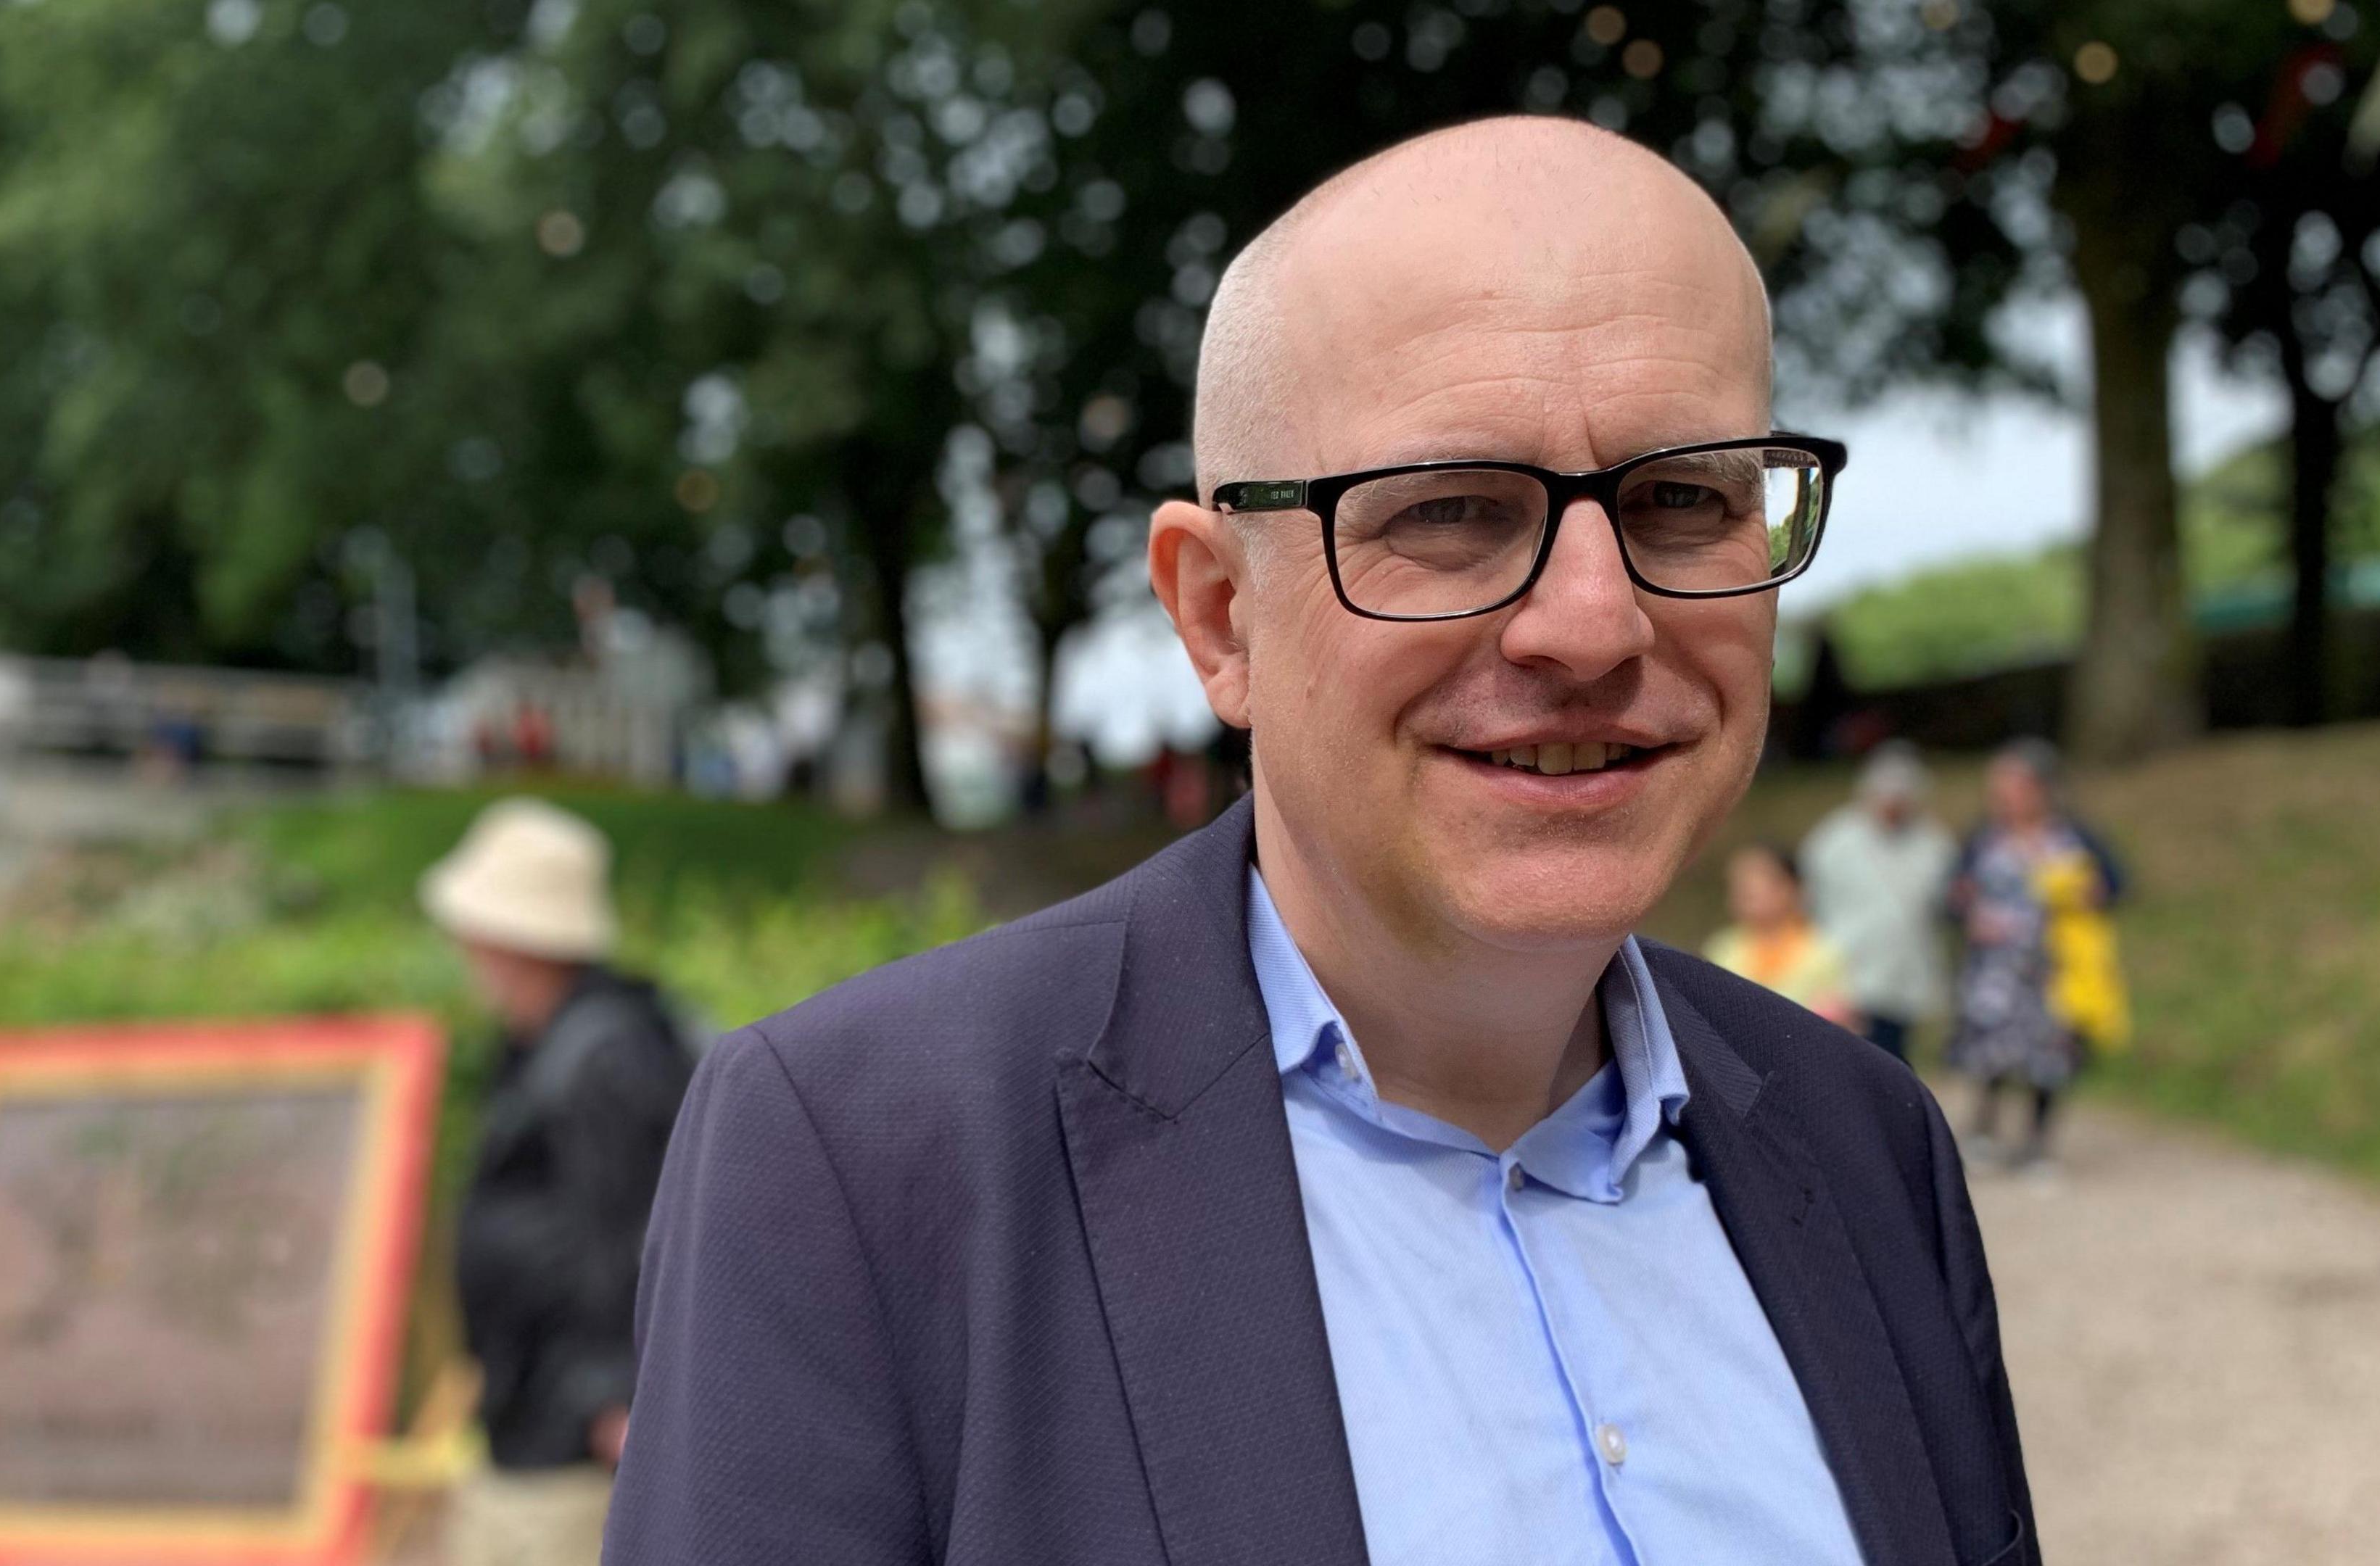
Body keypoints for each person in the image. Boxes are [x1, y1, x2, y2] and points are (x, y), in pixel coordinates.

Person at [606, 119, 2034, 1566]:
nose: (1597, 623)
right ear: (1220, 616)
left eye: (1683, 499)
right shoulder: (865, 1161)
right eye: (1455, 512)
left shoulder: (1865, 1144)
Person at [421, 798, 692, 1566]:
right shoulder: (543, 1045)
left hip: (574, 1436)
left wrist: (621, 1395)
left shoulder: (607, 1054)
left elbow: (639, 1230)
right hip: (526, 1411)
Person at [1949, 738, 2129, 1171]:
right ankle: (1983, 1132)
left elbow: (2116, 883)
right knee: (1990, 1051)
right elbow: (1952, 893)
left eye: (2012, 788)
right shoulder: (1983, 839)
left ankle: (2037, 1144)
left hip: (2055, 969)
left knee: (2051, 1056)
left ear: (2040, 790)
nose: (2002, 798)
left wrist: (2092, 893)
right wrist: (1966, 910)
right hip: (1997, 972)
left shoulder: (2072, 838)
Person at [1801, 740, 1959, 1064]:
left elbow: (1944, 902)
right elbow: (1810, 897)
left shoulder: (1934, 844)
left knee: (1894, 1056)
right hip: (1848, 966)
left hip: (1905, 970)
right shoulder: (1835, 839)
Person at [1705, 844, 1859, 1029]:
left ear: (1792, 888)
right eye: (1738, 881)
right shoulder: (1722, 948)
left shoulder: (1823, 952)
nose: (1747, 887)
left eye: (1761, 876)